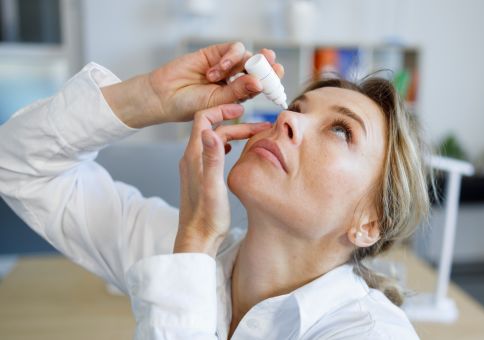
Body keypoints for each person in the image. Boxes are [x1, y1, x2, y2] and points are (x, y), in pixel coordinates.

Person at [0, 41, 431, 339]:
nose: (289, 120)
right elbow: (18, 165)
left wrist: (195, 241)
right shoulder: (185, 248)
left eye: (340, 131)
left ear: (369, 222)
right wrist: (149, 97)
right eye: (297, 108)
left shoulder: (369, 334)